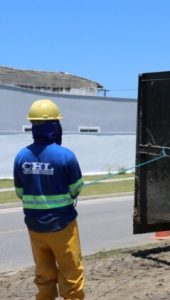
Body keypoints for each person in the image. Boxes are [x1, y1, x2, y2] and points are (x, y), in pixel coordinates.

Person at [13, 99, 85, 300]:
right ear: (55, 125)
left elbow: (20, 192)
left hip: (35, 228)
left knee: (44, 275)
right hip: (63, 226)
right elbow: (76, 189)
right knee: (71, 274)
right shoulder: (66, 156)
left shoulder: (21, 157)